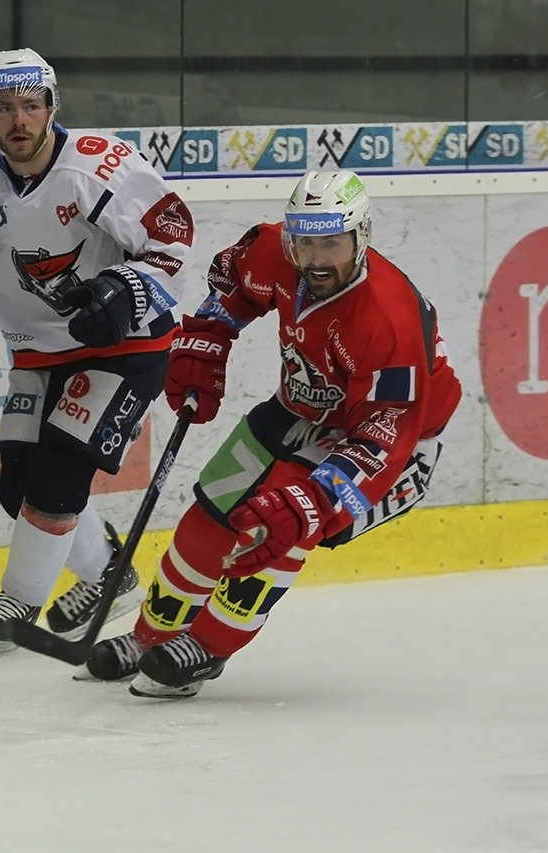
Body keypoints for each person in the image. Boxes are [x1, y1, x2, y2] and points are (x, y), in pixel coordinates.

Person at [82, 169, 463, 698]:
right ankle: (151, 636)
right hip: (298, 407)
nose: (317, 258)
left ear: (362, 237)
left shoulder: (388, 319)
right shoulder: (273, 253)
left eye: (332, 243)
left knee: (277, 525)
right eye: (306, 242)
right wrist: (209, 337)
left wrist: (316, 498)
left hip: (387, 445)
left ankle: (207, 647)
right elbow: (234, 283)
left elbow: (386, 431)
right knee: (210, 517)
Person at [0, 48, 195, 656]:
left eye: (30, 105)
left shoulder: (97, 168)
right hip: (41, 355)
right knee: (18, 491)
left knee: (58, 473)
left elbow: (172, 236)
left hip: (124, 345)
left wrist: (124, 288)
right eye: (4, 107)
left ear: (52, 107)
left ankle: (18, 601)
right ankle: (108, 574)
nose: (18, 119)